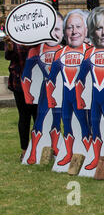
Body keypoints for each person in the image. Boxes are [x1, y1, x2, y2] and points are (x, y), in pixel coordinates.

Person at [75, 6, 104, 178]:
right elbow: (79, 78)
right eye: (98, 28)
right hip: (96, 99)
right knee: (95, 129)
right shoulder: (89, 53)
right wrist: (79, 97)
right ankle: (95, 157)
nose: (103, 32)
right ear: (92, 32)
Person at [46, 9, 92, 167]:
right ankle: (69, 153)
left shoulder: (90, 51)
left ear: (85, 30)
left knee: (85, 125)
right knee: (67, 124)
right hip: (67, 96)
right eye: (70, 27)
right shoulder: (60, 53)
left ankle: (89, 152)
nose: (74, 31)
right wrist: (51, 97)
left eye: (78, 27)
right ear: (65, 31)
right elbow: (51, 78)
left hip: (85, 98)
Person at [21, 12, 64, 164]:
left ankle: (55, 147)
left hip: (60, 90)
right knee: (40, 119)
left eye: (58, 29)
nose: (54, 34)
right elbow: (26, 74)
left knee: (57, 120)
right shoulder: (36, 50)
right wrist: (27, 93)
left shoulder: (64, 50)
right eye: (51, 30)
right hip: (46, 90)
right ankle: (33, 150)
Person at [4, 35, 38, 162]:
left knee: (38, 117)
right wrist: (10, 47)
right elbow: (8, 56)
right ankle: (25, 150)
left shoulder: (38, 36)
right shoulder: (14, 36)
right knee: (24, 117)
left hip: (36, 83)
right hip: (19, 83)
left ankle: (38, 148)